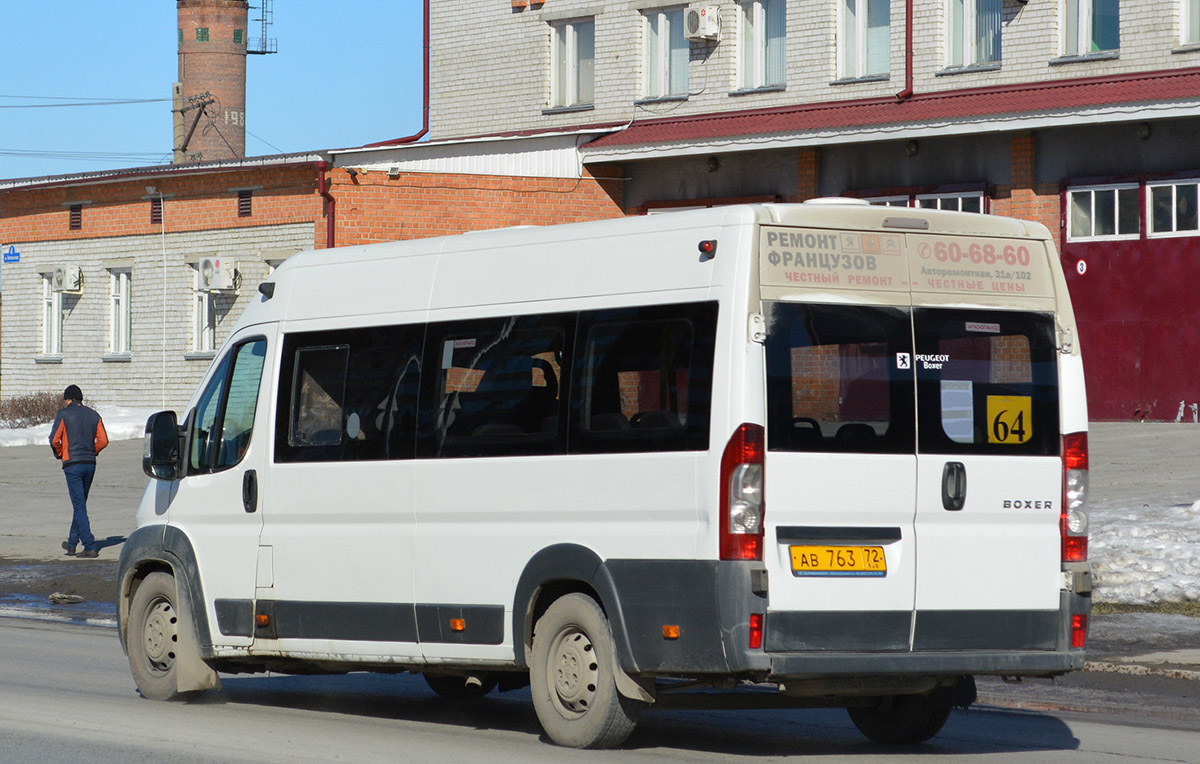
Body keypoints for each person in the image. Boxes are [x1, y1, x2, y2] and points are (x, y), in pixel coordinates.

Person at [48, 385, 108, 558]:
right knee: (80, 503)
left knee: (79, 504)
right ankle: (72, 543)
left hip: (72, 463)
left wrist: (61, 454)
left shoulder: (64, 415)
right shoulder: (94, 415)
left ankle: (89, 545)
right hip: (90, 463)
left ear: (68, 399)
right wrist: (92, 450)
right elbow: (103, 440)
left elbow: (54, 440)